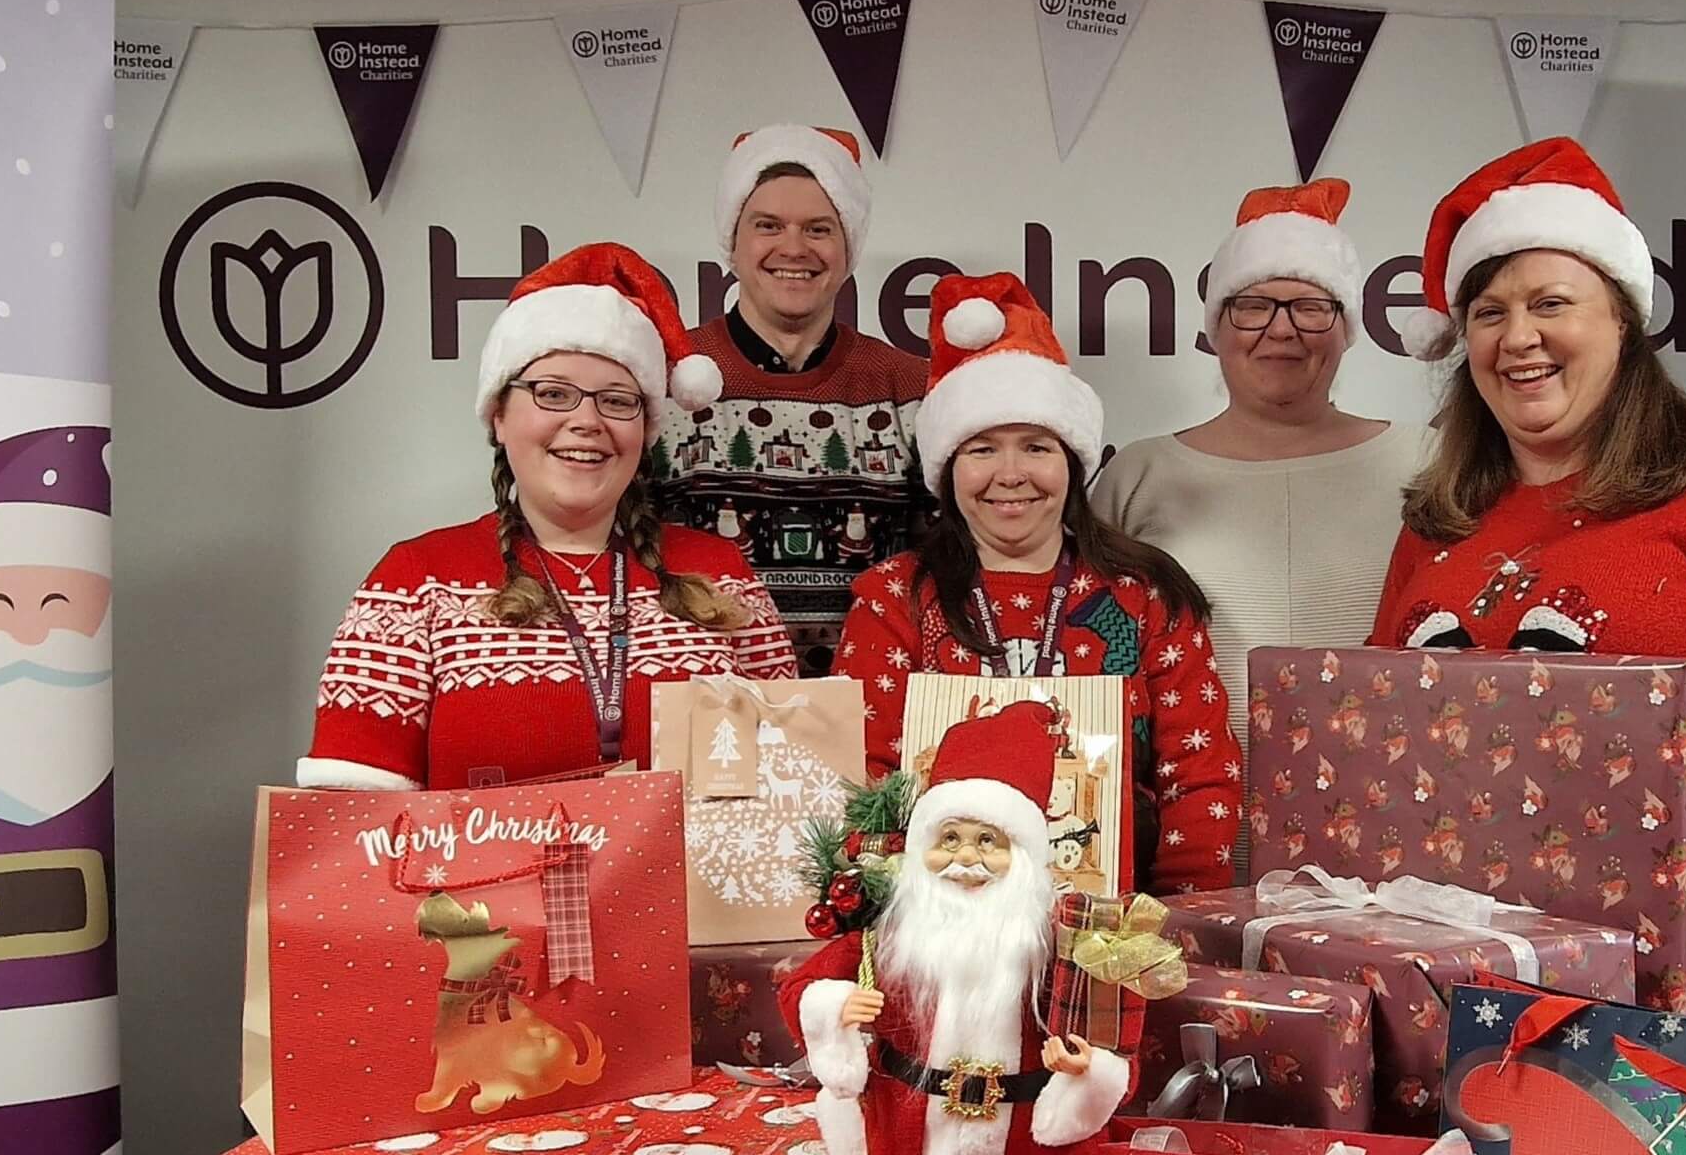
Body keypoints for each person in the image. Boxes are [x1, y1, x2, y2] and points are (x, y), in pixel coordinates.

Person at [1373, 137, 1686, 1020]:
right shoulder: (1437, 517)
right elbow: (1385, 734)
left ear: (1621, 322)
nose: (1517, 338)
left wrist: (1683, 916)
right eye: (1487, 313)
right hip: (1473, 992)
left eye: (1550, 303)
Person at [299, 242, 795, 792]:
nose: (587, 421)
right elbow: (352, 826)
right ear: (500, 417)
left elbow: (791, 789)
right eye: (553, 394)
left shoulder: (720, 570)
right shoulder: (416, 580)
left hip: (692, 881)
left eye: (616, 400)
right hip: (476, 880)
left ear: (644, 430)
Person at [779, 700, 1134, 1155]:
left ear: (1024, 855)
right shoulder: (890, 934)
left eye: (988, 841)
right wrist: (832, 1004)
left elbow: (1112, 1022)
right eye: (948, 838)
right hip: (916, 1118)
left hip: (1026, 1120)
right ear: (919, 846)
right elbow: (803, 983)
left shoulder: (1059, 940)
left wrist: (1086, 1063)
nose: (966, 858)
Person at [834, 272, 1241, 895]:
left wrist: (1177, 922)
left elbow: (1199, 775)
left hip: (1119, 929)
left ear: (1073, 462)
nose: (1011, 474)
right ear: (946, 469)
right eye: (981, 450)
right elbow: (868, 780)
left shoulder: (1145, 594)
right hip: (940, 930)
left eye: (1035, 447)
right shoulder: (894, 599)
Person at [1092, 180, 1425, 873]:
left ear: (1346, 328)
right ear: (1215, 328)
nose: (1281, 330)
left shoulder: (1428, 462)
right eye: (1252, 306)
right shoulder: (1136, 475)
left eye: (1310, 306)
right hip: (1189, 854)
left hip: (1393, 846)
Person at [654, 125, 930, 675]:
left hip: (870, 713)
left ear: (848, 247)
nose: (794, 248)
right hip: (702, 710)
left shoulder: (910, 386)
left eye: (819, 229)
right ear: (732, 242)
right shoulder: (663, 381)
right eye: (768, 226)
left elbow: (947, 567)